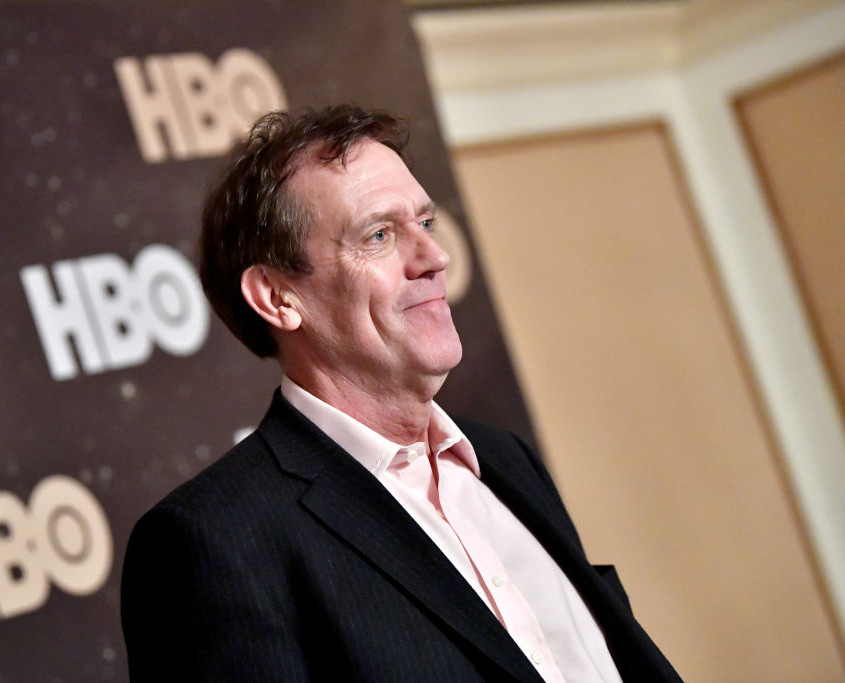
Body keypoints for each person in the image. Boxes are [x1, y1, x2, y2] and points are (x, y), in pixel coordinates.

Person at [121, 105, 680, 682]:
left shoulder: (505, 459)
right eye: (380, 235)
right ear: (277, 297)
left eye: (426, 223)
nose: (435, 258)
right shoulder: (215, 542)